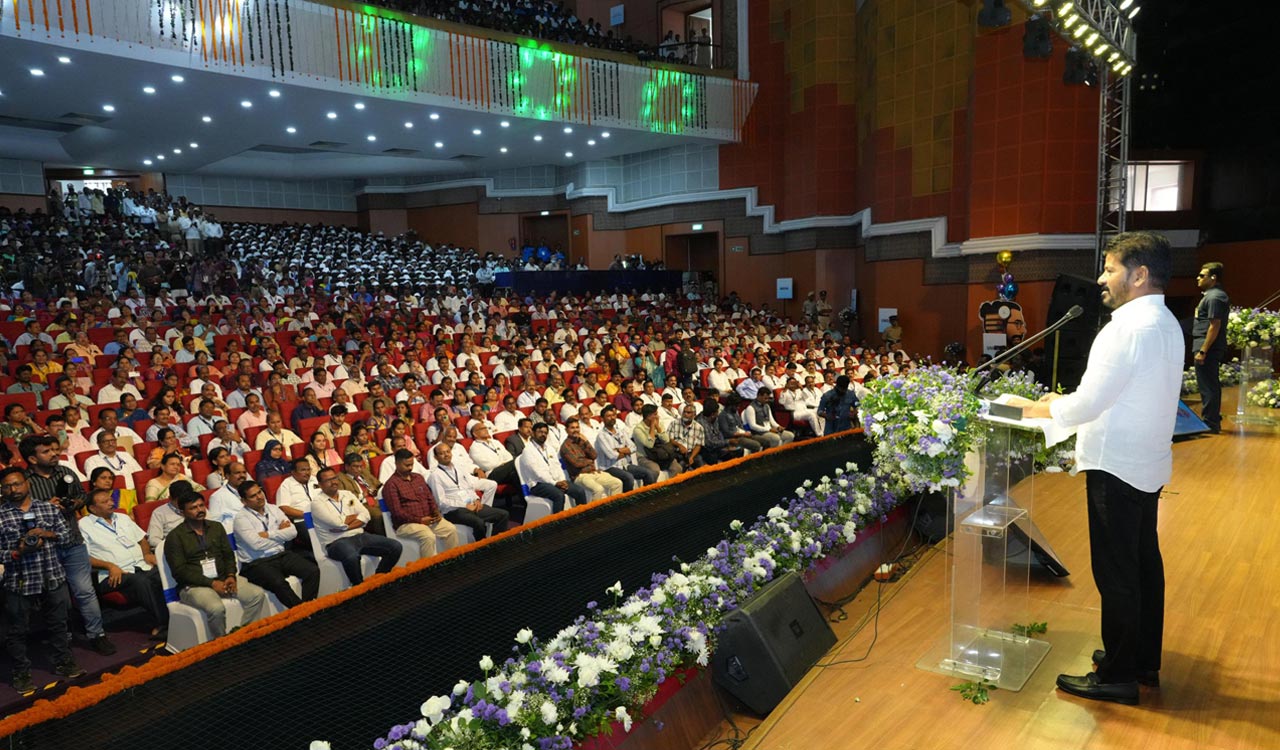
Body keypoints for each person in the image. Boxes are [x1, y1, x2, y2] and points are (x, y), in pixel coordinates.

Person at [1012, 232, 1182, 706]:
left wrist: (1044, 407)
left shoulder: (1125, 326)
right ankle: (1141, 659)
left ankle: (1117, 675)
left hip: (1116, 464)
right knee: (1144, 564)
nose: (1101, 279)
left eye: (1109, 268)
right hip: (1145, 463)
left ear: (1139, 274)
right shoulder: (1166, 321)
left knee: (1117, 573)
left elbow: (1089, 403)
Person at [21, 435, 117, 656]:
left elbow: (83, 495)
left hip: (72, 542)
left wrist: (76, 503)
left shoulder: (66, 473)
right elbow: (19, 512)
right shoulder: (25, 482)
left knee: (85, 591)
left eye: (54, 450)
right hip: (45, 549)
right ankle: (62, 641)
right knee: (57, 598)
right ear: (32, 459)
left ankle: (97, 634)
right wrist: (46, 506)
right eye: (46, 451)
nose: (54, 453)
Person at [0, 467, 84, 691]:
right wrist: (18, 551)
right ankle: (21, 672)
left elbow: (67, 538)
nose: (13, 489)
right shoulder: (1, 515)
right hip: (19, 581)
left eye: (17, 484)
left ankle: (63, 662)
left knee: (59, 624)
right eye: (7, 486)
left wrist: (48, 534)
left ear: (27, 483)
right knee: (16, 631)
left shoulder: (48, 508)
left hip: (52, 576)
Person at [162, 482, 267, 639]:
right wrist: (212, 583)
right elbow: (180, 572)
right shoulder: (175, 537)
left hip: (223, 578)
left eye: (201, 506)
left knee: (256, 595)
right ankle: (222, 645)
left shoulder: (216, 527)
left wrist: (231, 575)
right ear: (182, 512)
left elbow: (228, 555)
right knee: (216, 608)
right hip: (194, 586)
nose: (199, 510)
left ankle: (245, 636)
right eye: (193, 508)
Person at [80, 488, 168, 641]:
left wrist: (147, 553)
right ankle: (165, 623)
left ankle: (183, 614)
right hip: (112, 575)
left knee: (165, 571)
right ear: (93, 508)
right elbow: (83, 557)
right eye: (105, 502)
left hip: (140, 565)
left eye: (110, 499)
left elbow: (142, 540)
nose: (110, 503)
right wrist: (109, 566)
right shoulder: (83, 525)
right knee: (141, 581)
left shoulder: (122, 518)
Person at [232, 480, 320, 608]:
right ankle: (302, 613)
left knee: (312, 571)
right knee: (279, 583)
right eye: (253, 496)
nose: (259, 497)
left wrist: (269, 534)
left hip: (280, 555)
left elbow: (292, 532)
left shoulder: (273, 509)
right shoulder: (241, 519)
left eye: (260, 492)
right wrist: (280, 534)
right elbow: (256, 545)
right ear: (243, 501)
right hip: (256, 563)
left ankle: (307, 609)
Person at [310, 467, 402, 585]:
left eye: (334, 478)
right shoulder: (317, 503)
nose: (333, 482)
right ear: (320, 485)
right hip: (336, 542)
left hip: (359, 535)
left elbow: (366, 515)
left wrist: (346, 525)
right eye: (328, 480)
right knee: (351, 557)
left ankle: (378, 580)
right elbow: (337, 523)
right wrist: (354, 517)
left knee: (395, 546)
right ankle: (359, 588)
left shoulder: (347, 495)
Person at [380, 450, 460, 558]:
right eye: (407, 465)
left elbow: (429, 497)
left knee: (450, 529)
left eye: (412, 464)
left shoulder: (418, 477)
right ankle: (428, 569)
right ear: (397, 464)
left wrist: (435, 511)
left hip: (429, 519)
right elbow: (397, 512)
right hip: (406, 525)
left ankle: (453, 561)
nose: (410, 468)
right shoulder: (391, 485)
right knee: (428, 536)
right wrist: (420, 520)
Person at [427, 444, 509, 540]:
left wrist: (476, 499)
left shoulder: (458, 469)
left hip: (470, 504)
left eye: (448, 452)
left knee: (503, 515)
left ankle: (495, 543)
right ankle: (481, 549)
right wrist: (464, 505)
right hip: (453, 511)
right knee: (479, 522)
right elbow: (441, 502)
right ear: (436, 457)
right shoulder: (435, 476)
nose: (446, 455)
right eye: (441, 453)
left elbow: (468, 487)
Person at [516, 422, 588, 513]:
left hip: (556, 481)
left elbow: (558, 466)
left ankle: (583, 517)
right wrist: (555, 483)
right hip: (538, 484)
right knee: (559, 495)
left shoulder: (549, 448)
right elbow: (538, 473)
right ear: (533, 433)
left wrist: (562, 480)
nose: (543, 434)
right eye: (540, 432)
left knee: (579, 491)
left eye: (545, 433)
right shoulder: (528, 451)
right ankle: (557, 524)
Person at [1192, 262, 1228, 433]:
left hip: (1208, 349)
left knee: (1208, 386)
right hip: (1206, 347)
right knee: (1208, 385)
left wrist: (1203, 350)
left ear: (1213, 278)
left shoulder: (1214, 297)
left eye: (1202, 275)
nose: (1198, 278)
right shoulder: (1211, 295)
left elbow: (1215, 325)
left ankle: (1210, 423)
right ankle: (1211, 420)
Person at [559, 417, 625, 500]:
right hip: (579, 476)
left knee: (617, 483)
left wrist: (586, 441)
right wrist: (590, 461)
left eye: (577, 427)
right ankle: (596, 512)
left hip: (593, 472)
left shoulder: (582, 441)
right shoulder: (565, 446)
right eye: (572, 428)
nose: (575, 430)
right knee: (598, 489)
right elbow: (577, 464)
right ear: (566, 430)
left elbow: (594, 455)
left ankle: (614, 509)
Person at [594, 404, 657, 489]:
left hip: (625, 465)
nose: (612, 418)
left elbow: (634, 447)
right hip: (609, 467)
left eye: (613, 415)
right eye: (608, 416)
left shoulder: (620, 432)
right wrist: (626, 451)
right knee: (629, 478)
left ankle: (647, 498)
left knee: (648, 473)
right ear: (602, 419)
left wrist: (619, 450)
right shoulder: (601, 436)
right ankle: (628, 502)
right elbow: (612, 456)